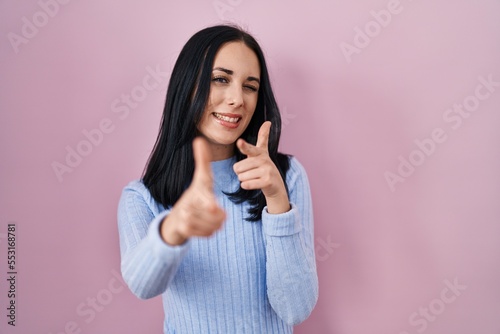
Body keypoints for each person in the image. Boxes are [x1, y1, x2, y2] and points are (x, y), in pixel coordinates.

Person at [117, 24, 318, 333]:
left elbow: (295, 308)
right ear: (187, 87)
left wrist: (277, 202)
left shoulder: (287, 177)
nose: (237, 98)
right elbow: (142, 285)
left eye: (250, 86)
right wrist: (174, 228)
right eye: (220, 79)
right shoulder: (142, 196)